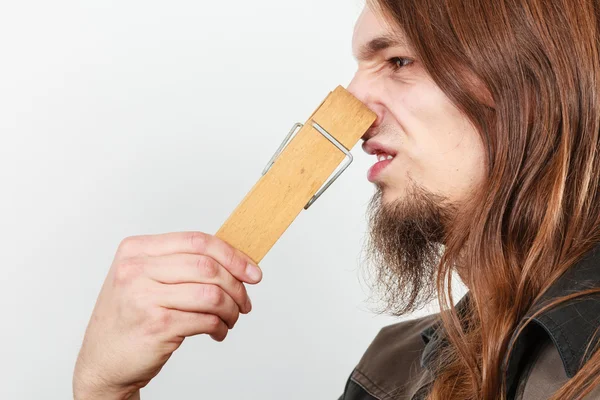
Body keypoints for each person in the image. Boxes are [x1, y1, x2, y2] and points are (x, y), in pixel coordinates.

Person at [73, 0, 600, 398]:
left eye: (397, 61)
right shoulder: (393, 371)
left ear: (538, 84)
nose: (353, 109)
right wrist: (104, 388)